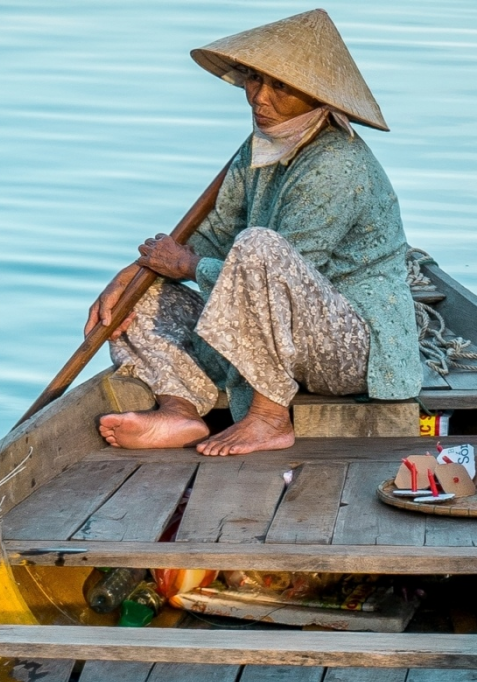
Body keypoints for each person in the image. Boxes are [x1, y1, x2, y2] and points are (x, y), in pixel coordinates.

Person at [90, 9, 421, 456]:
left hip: (352, 349)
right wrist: (135, 272)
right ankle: (180, 409)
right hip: (284, 335)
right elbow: (216, 233)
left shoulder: (337, 165)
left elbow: (275, 275)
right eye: (253, 79)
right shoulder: (260, 146)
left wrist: (186, 266)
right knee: (143, 294)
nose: (258, 98)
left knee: (258, 246)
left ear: (315, 96)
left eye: (279, 86)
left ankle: (268, 417)